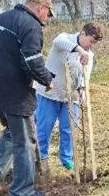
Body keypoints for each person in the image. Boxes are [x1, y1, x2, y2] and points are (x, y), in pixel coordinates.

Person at [0, 0, 60, 196]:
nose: (47, 18)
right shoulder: (31, 26)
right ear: (41, 7)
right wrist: (47, 80)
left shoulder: (0, 19)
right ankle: (22, 192)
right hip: (14, 91)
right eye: (47, 14)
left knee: (12, 129)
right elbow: (32, 60)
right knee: (24, 141)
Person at [34, 22, 102, 173]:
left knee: (69, 129)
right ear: (82, 33)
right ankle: (41, 159)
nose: (91, 46)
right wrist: (78, 50)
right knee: (44, 128)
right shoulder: (65, 38)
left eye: (95, 43)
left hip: (71, 97)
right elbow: (58, 42)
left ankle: (67, 159)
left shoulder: (89, 55)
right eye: (91, 41)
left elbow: (85, 78)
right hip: (49, 93)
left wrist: (82, 94)